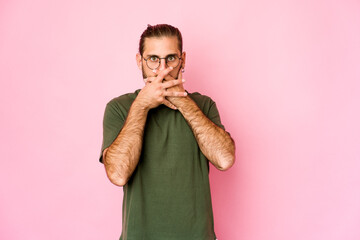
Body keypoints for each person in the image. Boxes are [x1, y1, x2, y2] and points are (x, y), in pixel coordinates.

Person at [99, 24, 235, 240]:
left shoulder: (203, 104)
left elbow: (225, 160)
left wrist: (184, 103)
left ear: (183, 60)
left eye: (170, 58)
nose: (162, 69)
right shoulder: (120, 107)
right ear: (139, 61)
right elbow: (117, 174)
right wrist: (141, 106)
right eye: (153, 59)